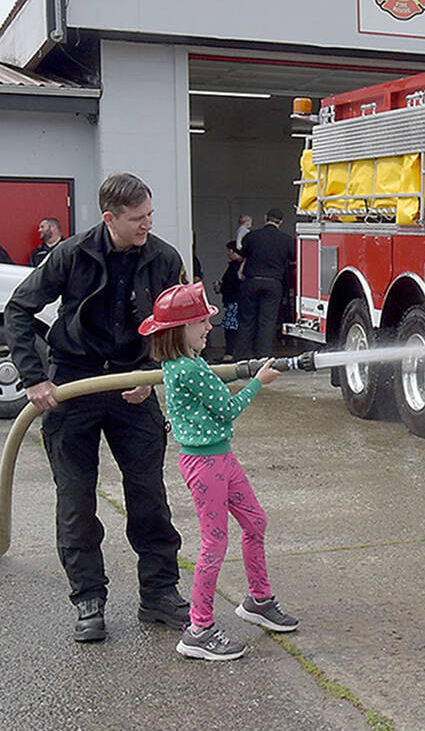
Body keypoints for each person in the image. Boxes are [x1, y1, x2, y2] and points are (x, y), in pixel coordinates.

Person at [6, 173, 191, 642]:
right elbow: (19, 310)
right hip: (74, 385)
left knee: (149, 494)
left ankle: (160, 593)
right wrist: (35, 379)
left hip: (134, 385)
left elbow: (178, 325)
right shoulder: (71, 254)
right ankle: (88, 598)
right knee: (76, 499)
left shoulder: (164, 258)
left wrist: (154, 373)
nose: (147, 225)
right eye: (137, 219)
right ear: (110, 218)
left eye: (150, 215)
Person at [139, 282, 299, 661]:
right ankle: (199, 629)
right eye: (201, 322)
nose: (209, 327)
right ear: (181, 330)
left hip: (221, 458)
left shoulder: (189, 364)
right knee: (214, 544)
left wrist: (242, 372)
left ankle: (258, 600)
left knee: (255, 522)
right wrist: (258, 381)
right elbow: (227, 409)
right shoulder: (186, 369)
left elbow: (212, 380)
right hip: (206, 465)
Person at [233, 208, 294, 359]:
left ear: (265, 217)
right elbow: (293, 258)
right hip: (273, 283)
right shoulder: (286, 240)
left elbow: (242, 254)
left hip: (252, 281)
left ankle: (242, 357)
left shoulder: (252, 236)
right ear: (281, 222)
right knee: (267, 321)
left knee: (246, 319)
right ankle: (263, 357)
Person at [217, 240, 243, 362]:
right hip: (237, 300)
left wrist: (221, 288)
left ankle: (230, 353)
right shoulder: (240, 265)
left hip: (235, 301)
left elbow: (232, 284)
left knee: (231, 328)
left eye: (229, 251)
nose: (227, 254)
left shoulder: (235, 267)